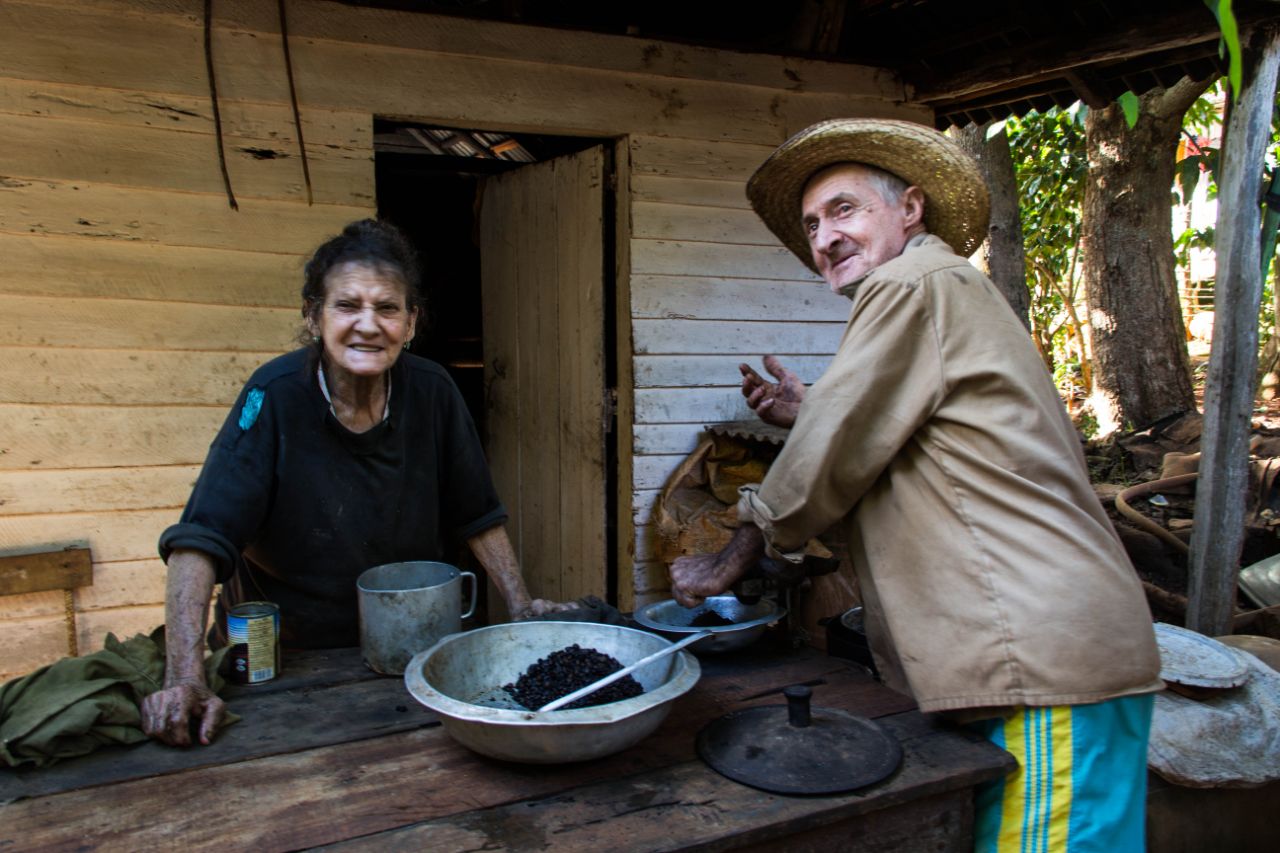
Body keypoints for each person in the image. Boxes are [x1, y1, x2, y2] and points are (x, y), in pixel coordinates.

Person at [670, 119, 1163, 852]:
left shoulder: (914, 280)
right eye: (812, 224)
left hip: (1039, 658)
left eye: (845, 210)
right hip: (1036, 656)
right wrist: (813, 413)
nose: (825, 237)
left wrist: (732, 554)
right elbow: (903, 446)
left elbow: (830, 455)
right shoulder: (940, 290)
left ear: (910, 209)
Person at [143, 219, 567, 746]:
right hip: (291, 663)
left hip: (414, 655)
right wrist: (184, 677)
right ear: (313, 315)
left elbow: (477, 514)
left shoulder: (433, 391)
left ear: (411, 323)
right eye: (347, 305)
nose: (368, 324)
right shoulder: (272, 396)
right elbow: (201, 539)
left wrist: (522, 605)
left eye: (387, 308)